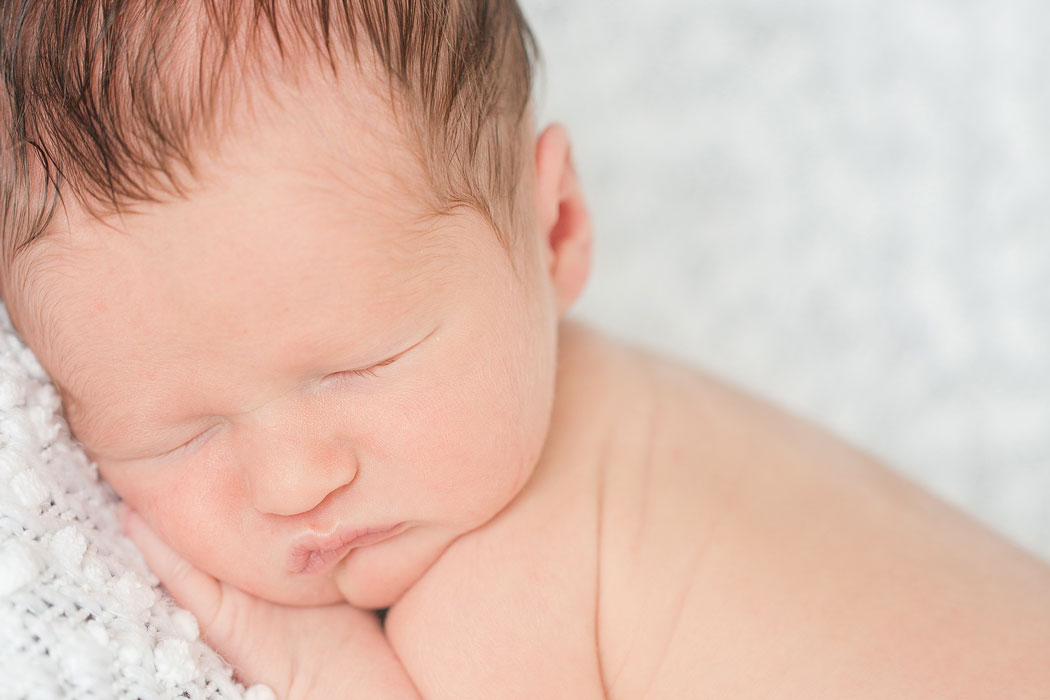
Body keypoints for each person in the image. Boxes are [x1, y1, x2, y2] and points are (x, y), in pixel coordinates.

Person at [2, 2, 1049, 697]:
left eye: (362, 365)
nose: (292, 480)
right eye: (178, 435)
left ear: (556, 229)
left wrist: (315, 664)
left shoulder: (508, 577)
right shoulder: (607, 407)